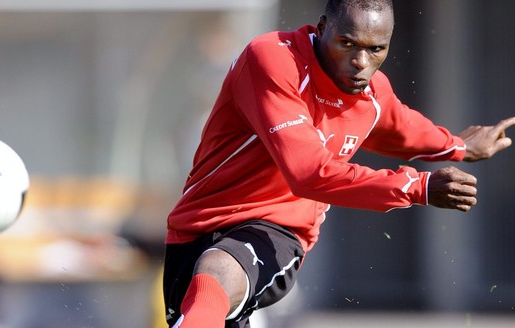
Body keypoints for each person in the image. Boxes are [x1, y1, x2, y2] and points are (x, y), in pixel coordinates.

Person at [162, 0, 515, 327]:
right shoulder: (273, 60)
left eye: (376, 49)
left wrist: (458, 147)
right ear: (321, 28)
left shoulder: (372, 91)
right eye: (347, 43)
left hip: (279, 228)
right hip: (196, 226)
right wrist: (415, 186)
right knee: (204, 296)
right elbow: (309, 173)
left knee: (219, 266)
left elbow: (402, 128)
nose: (361, 62)